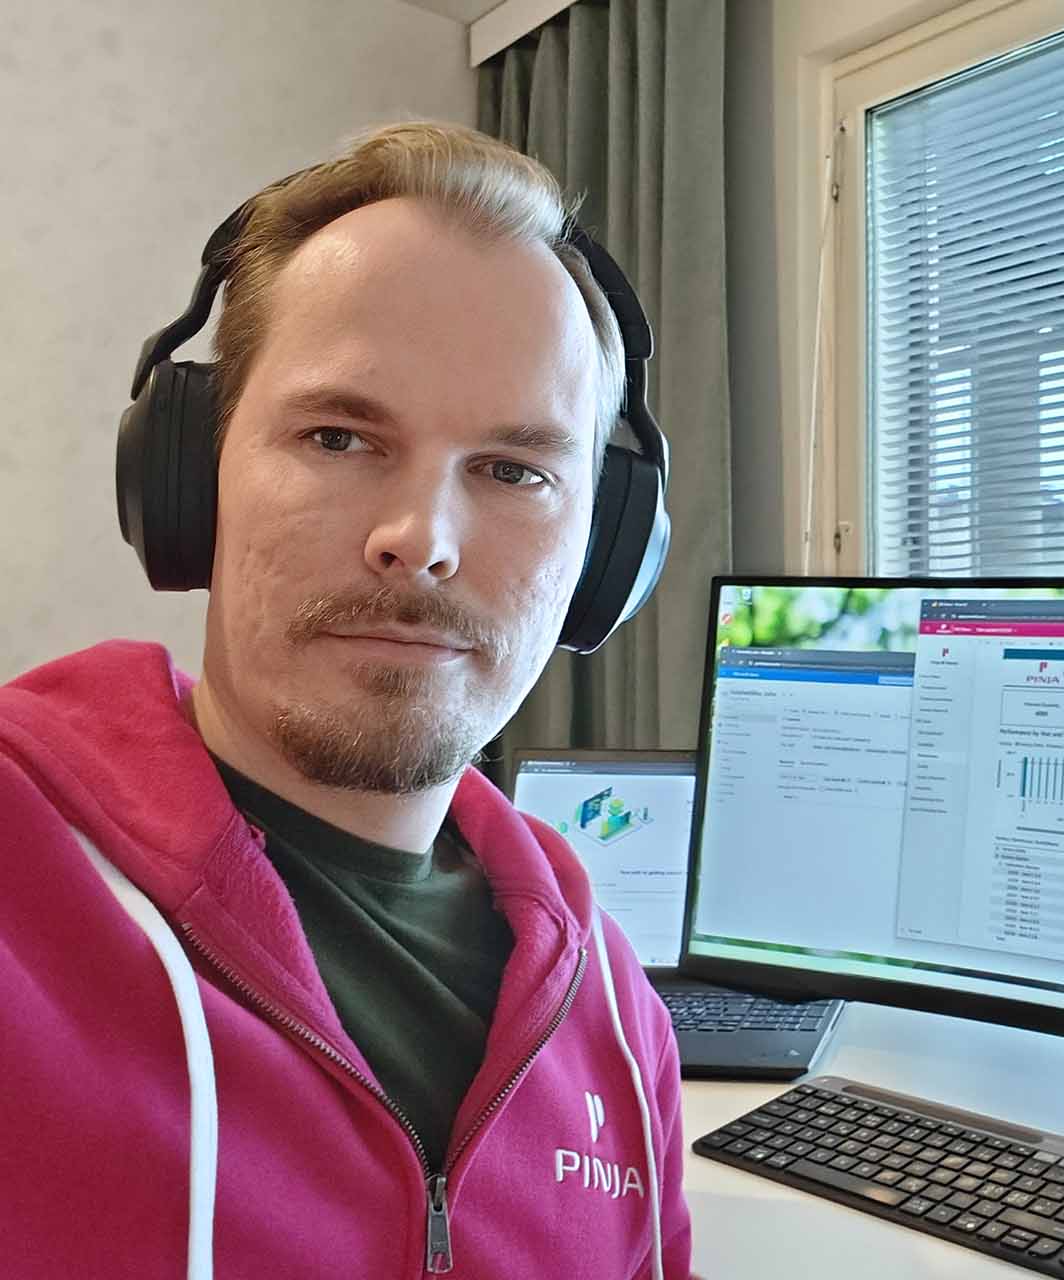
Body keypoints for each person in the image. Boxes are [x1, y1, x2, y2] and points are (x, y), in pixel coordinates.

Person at [0, 122, 693, 1279]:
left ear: (605, 553)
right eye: (338, 435)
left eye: (515, 469)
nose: (418, 539)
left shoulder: (619, 1023)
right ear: (187, 481)